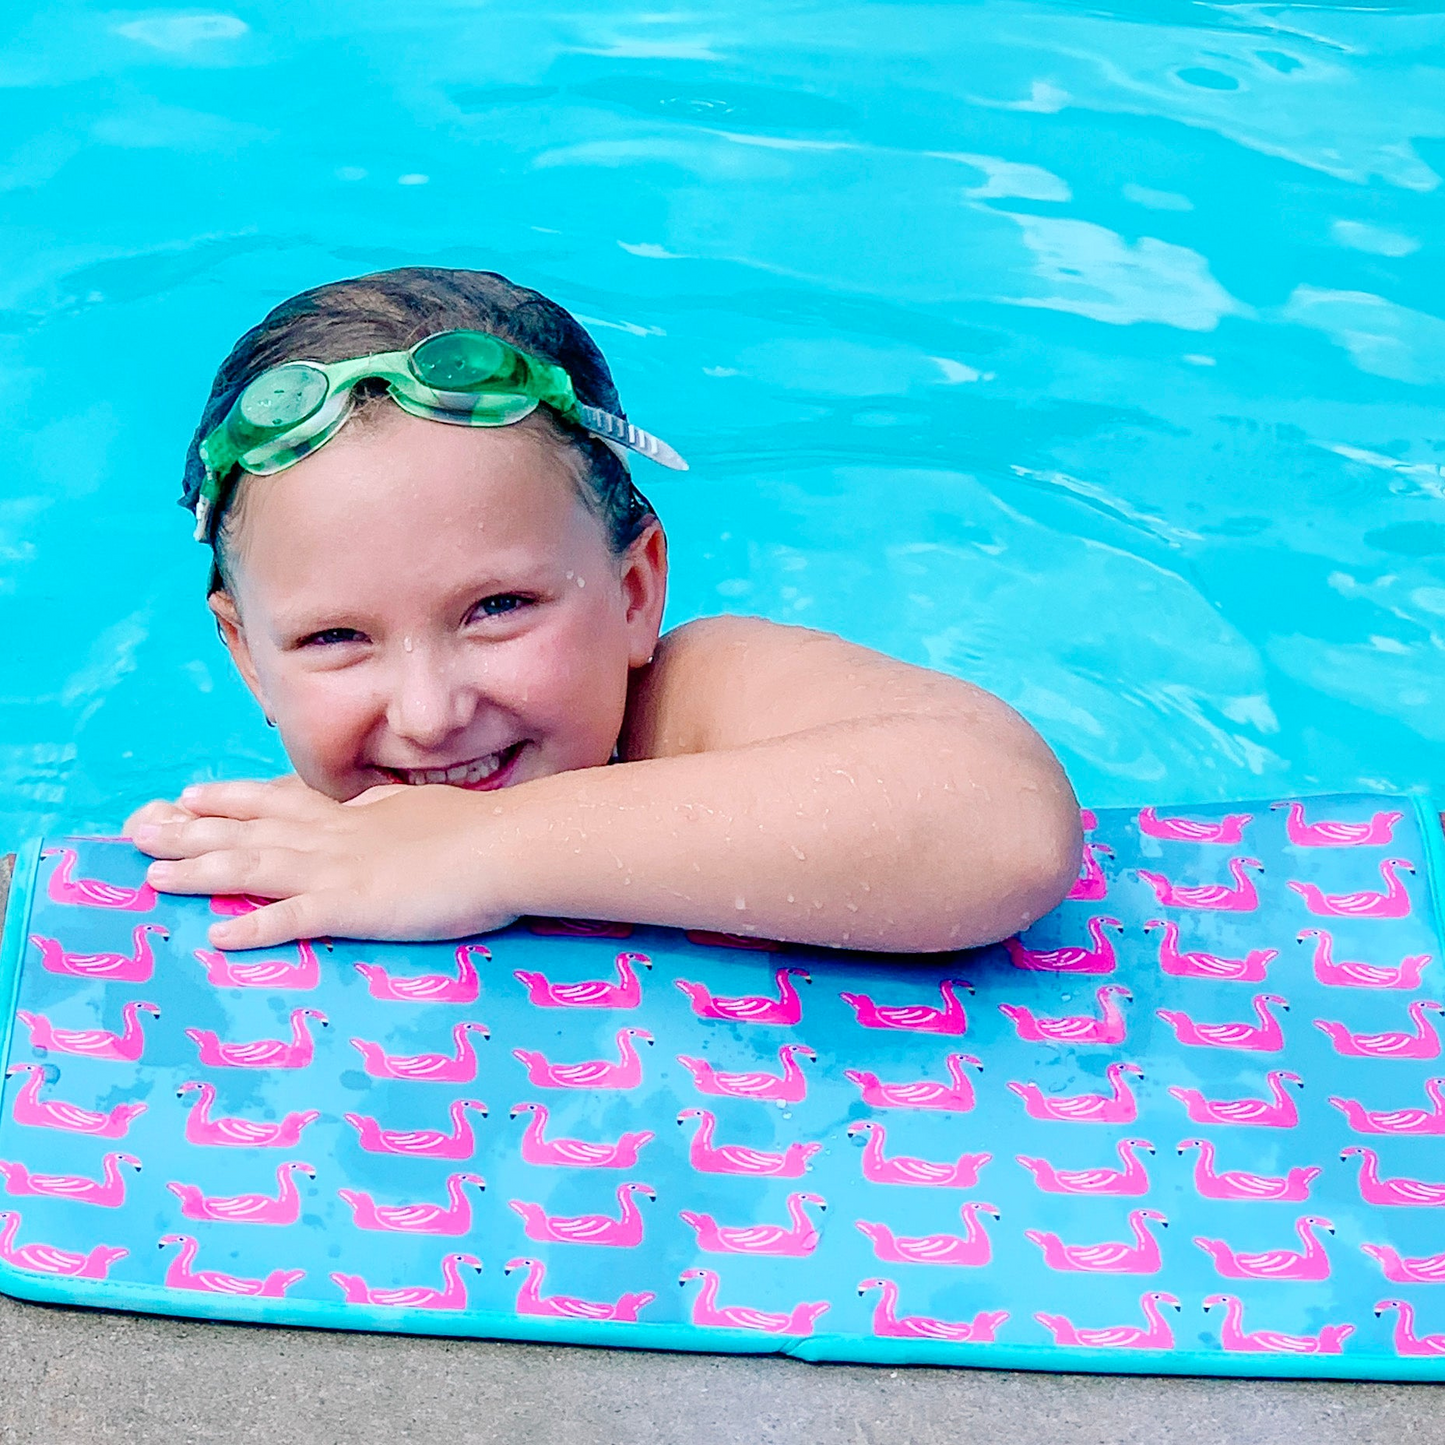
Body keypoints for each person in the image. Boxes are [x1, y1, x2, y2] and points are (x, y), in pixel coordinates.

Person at [127, 266, 1081, 955]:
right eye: (335, 638)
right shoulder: (305, 839)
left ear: (634, 592)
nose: (428, 714)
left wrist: (485, 850)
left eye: (497, 608)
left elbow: (1005, 824)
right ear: (248, 657)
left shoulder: (691, 705)